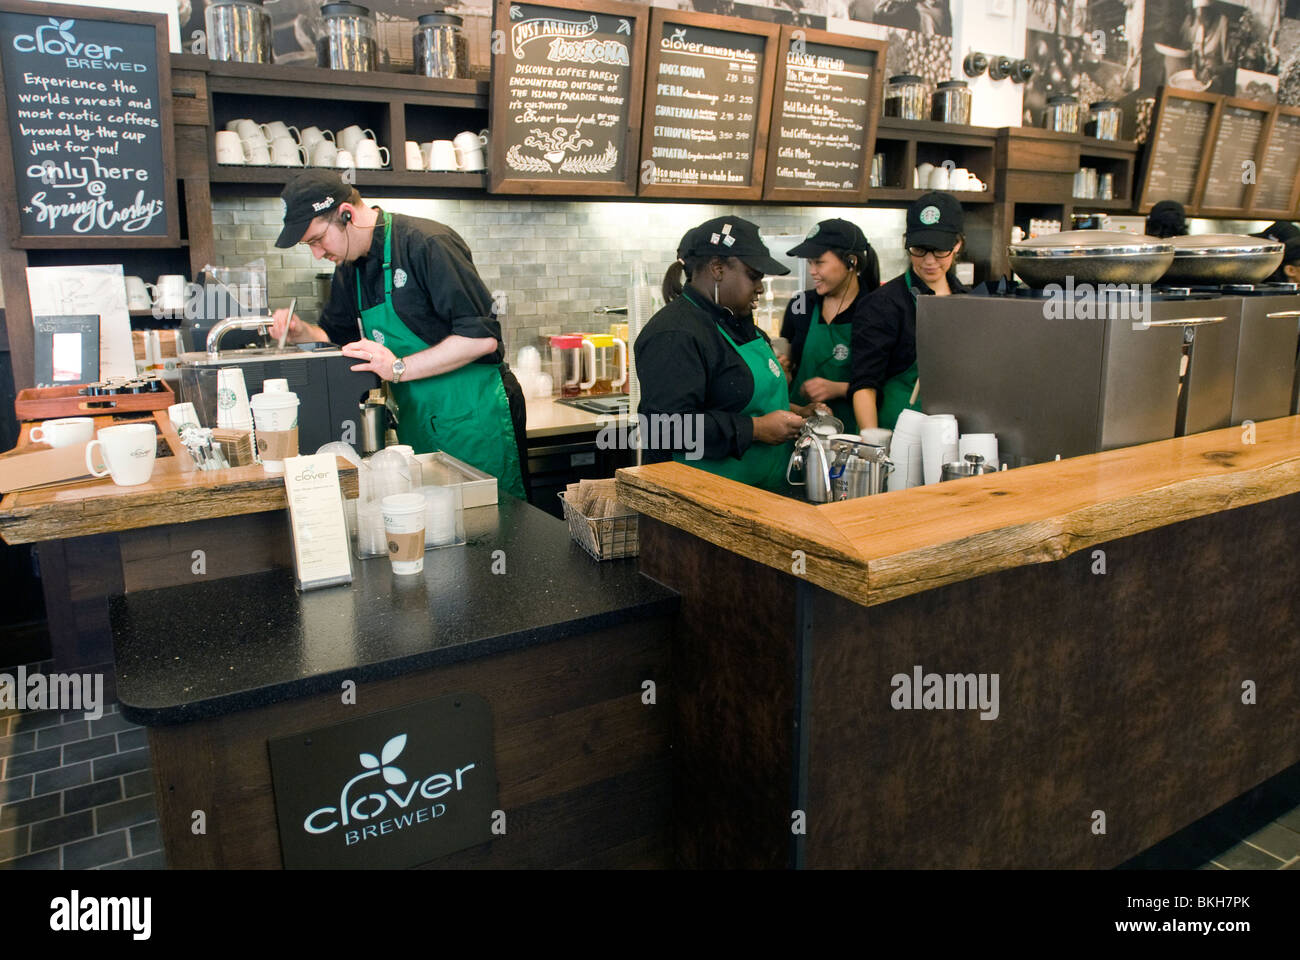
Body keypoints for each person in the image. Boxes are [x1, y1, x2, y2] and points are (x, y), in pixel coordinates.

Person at [268, 170, 528, 500]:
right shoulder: (349, 269)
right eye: (309, 245)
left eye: (317, 240)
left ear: (346, 214)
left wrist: (398, 368)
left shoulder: (426, 243)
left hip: (473, 417)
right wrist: (302, 333)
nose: (317, 253)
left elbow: (482, 337)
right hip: (419, 420)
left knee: (494, 523)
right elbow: (339, 339)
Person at [635, 216, 828, 492]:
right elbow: (666, 428)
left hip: (763, 494)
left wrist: (795, 412)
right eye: (754, 275)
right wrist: (757, 429)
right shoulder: (675, 334)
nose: (760, 287)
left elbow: (733, 397)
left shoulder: (735, 320)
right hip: (704, 505)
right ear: (717, 269)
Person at [850, 192, 968, 432]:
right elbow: (864, 384)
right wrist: (874, 443)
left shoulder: (969, 301)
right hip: (898, 433)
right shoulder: (882, 304)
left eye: (939, 250)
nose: (929, 261)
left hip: (954, 428)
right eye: (919, 249)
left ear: (957, 244)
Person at [780, 218, 881, 432]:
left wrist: (839, 389)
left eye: (819, 262)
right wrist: (784, 372)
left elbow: (889, 383)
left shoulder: (877, 309)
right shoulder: (800, 305)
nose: (812, 271)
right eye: (809, 263)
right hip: (799, 429)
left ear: (851, 262)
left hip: (853, 432)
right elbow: (790, 364)